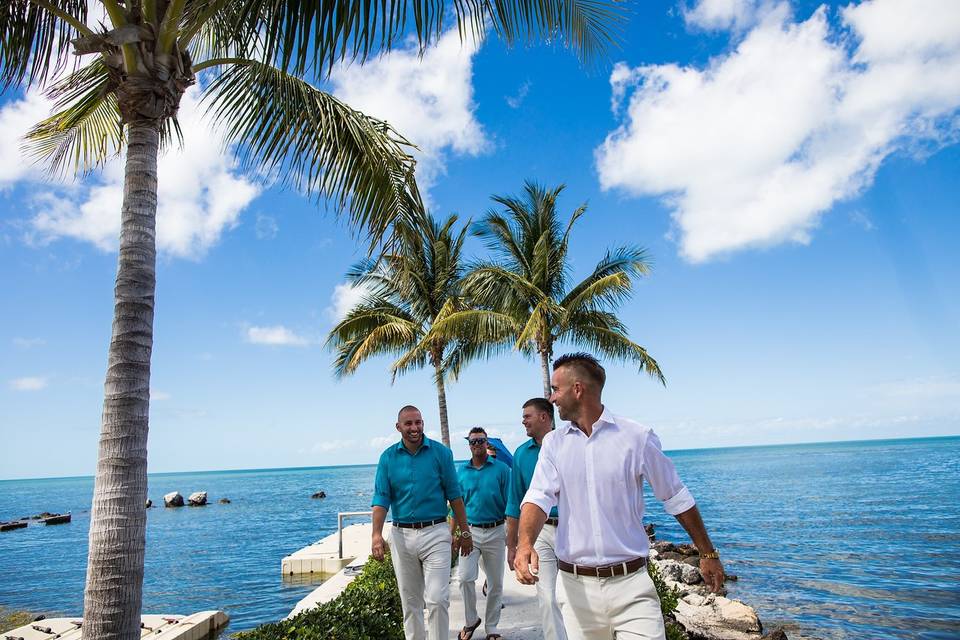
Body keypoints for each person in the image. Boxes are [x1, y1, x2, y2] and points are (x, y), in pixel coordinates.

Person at [515, 354, 726, 640]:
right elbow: (538, 496)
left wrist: (707, 552)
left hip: (632, 587)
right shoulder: (554, 444)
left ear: (578, 389)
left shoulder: (637, 437)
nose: (552, 399)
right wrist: (525, 543)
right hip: (576, 592)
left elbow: (675, 495)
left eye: (556, 389)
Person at [371, 405, 473, 640]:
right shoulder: (387, 458)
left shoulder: (441, 453)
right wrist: (376, 535)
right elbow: (381, 498)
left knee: (437, 599)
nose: (414, 428)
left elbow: (454, 494)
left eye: (418, 422)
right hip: (401, 535)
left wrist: (465, 532)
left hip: (436, 532)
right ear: (398, 427)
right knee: (410, 603)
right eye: (408, 423)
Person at [505, 398, 567, 640]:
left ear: (544, 417)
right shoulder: (520, 454)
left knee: (575, 594)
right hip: (540, 533)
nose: (523, 421)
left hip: (571, 529)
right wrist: (514, 545)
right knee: (548, 596)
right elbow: (514, 502)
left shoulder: (568, 444)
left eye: (527, 416)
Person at [454, 427, 511, 640]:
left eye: (481, 441)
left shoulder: (502, 470)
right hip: (470, 533)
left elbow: (511, 504)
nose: (477, 444)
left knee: (496, 582)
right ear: (469, 444)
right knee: (465, 578)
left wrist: (513, 536)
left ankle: (492, 628)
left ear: (487, 443)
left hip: (496, 531)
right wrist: (454, 533)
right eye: (474, 441)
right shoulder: (461, 472)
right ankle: (471, 620)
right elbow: (455, 504)